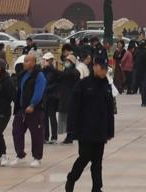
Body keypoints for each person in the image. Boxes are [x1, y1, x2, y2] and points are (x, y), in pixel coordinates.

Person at [65, 56, 116, 192]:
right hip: (85, 130)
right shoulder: (83, 84)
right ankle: (71, 179)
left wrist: (110, 131)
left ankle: (97, 188)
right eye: (101, 67)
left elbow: (110, 110)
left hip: (100, 131)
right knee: (84, 157)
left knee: (97, 162)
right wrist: (71, 129)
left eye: (105, 68)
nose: (103, 71)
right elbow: (74, 107)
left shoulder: (107, 86)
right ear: (94, 67)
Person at [14, 53, 51, 167]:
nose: (24, 63)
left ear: (34, 63)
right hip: (22, 109)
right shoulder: (24, 74)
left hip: (34, 110)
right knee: (17, 130)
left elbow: (39, 91)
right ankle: (20, 155)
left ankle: (37, 157)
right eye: (24, 61)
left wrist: (32, 104)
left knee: (36, 134)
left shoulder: (39, 75)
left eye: (27, 61)